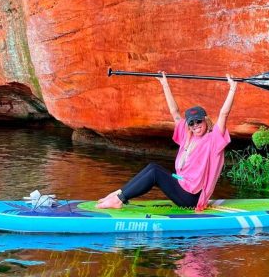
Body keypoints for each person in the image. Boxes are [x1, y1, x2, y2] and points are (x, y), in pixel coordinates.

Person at [96, 73, 238, 213]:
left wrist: (232, 88)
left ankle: (119, 199)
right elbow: (175, 113)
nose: (195, 125)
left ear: (205, 120)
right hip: (182, 186)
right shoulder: (187, 135)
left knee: (155, 172)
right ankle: (119, 194)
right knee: (152, 167)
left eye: (199, 121)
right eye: (192, 122)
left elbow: (224, 113)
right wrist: (164, 84)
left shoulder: (213, 140)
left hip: (192, 198)